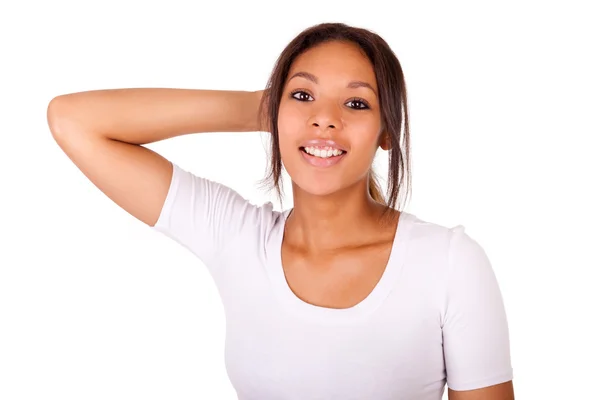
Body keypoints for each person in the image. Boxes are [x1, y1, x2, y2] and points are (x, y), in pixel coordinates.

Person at [47, 22, 514, 400]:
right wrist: (257, 108)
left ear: (386, 132)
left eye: (355, 103)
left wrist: (292, 107)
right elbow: (74, 120)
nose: (325, 118)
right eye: (303, 96)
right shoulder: (235, 237)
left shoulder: (449, 262)